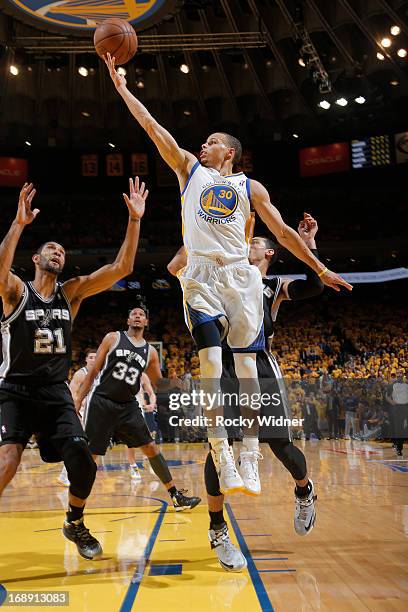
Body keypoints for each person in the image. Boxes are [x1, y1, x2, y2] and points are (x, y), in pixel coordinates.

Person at [105, 52, 352, 496]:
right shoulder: (189, 170)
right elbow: (153, 129)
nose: (203, 145)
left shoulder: (249, 187)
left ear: (230, 152)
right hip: (200, 274)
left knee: (247, 368)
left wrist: (319, 265)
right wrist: (123, 90)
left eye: (211, 141)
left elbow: (281, 231)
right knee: (213, 364)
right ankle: (221, 450)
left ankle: (251, 457)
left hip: (241, 275)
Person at [0, 178, 147, 560]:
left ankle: (74, 522)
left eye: (62, 251)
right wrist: (18, 224)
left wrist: (134, 220)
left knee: (83, 462)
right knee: (8, 460)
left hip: (54, 392)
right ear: (35, 259)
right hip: (14, 389)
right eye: (50, 248)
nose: (57, 253)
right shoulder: (16, 291)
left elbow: (122, 266)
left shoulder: (72, 292)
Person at [169, 212, 322, 570]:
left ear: (268, 254)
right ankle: (218, 529)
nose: (248, 243)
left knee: (280, 444)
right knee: (217, 447)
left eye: (254, 242)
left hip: (259, 367)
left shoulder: (273, 286)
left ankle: (304, 490)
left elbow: (314, 286)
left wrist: (308, 244)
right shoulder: (215, 272)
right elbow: (175, 265)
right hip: (220, 365)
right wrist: (201, 230)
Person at [75, 306, 201, 511]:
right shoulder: (113, 338)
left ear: (146, 322)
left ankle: (175, 496)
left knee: (151, 448)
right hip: (102, 402)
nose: (137, 316)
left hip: (128, 406)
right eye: (133, 313)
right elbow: (94, 371)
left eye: (141, 315)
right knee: (92, 455)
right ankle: (76, 506)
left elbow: (157, 382)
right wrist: (79, 399)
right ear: (127, 320)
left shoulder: (150, 352)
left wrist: (174, 383)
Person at [57, 348, 97, 487]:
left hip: (95, 411)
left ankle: (73, 473)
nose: (93, 359)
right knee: (81, 444)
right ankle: (65, 474)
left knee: (89, 445)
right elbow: (73, 393)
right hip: (82, 411)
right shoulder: (81, 374)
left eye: (96, 357)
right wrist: (76, 412)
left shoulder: (100, 372)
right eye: (91, 357)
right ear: (86, 359)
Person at [127, 371, 157, 481]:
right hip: (126, 409)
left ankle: (147, 459)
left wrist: (152, 404)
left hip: (139, 410)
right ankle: (133, 465)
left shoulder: (143, 375)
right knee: (130, 439)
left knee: (146, 437)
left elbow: (151, 393)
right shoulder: (121, 371)